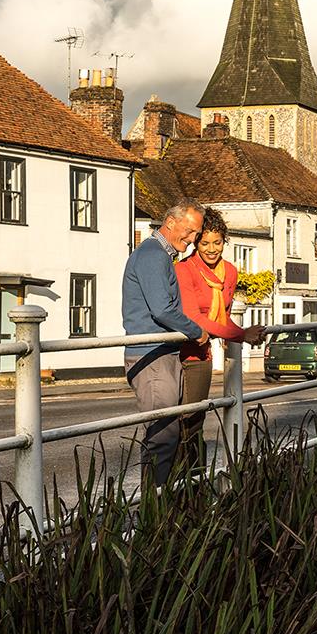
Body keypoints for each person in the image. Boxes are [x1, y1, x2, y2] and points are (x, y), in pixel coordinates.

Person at [121, 200, 209, 486]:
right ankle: (154, 514)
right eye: (191, 231)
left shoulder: (158, 255)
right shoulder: (153, 256)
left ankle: (162, 507)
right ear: (170, 222)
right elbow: (162, 309)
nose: (194, 239)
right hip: (152, 356)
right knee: (163, 436)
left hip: (161, 354)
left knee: (167, 434)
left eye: (196, 233)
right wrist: (196, 331)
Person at [176, 209, 266, 466]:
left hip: (201, 354)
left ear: (225, 240)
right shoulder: (185, 270)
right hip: (177, 354)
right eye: (204, 243)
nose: (211, 249)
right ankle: (174, 486)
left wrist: (242, 333)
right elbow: (194, 318)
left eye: (217, 242)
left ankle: (195, 481)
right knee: (179, 422)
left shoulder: (230, 272)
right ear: (195, 242)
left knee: (194, 420)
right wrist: (240, 335)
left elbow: (222, 318)